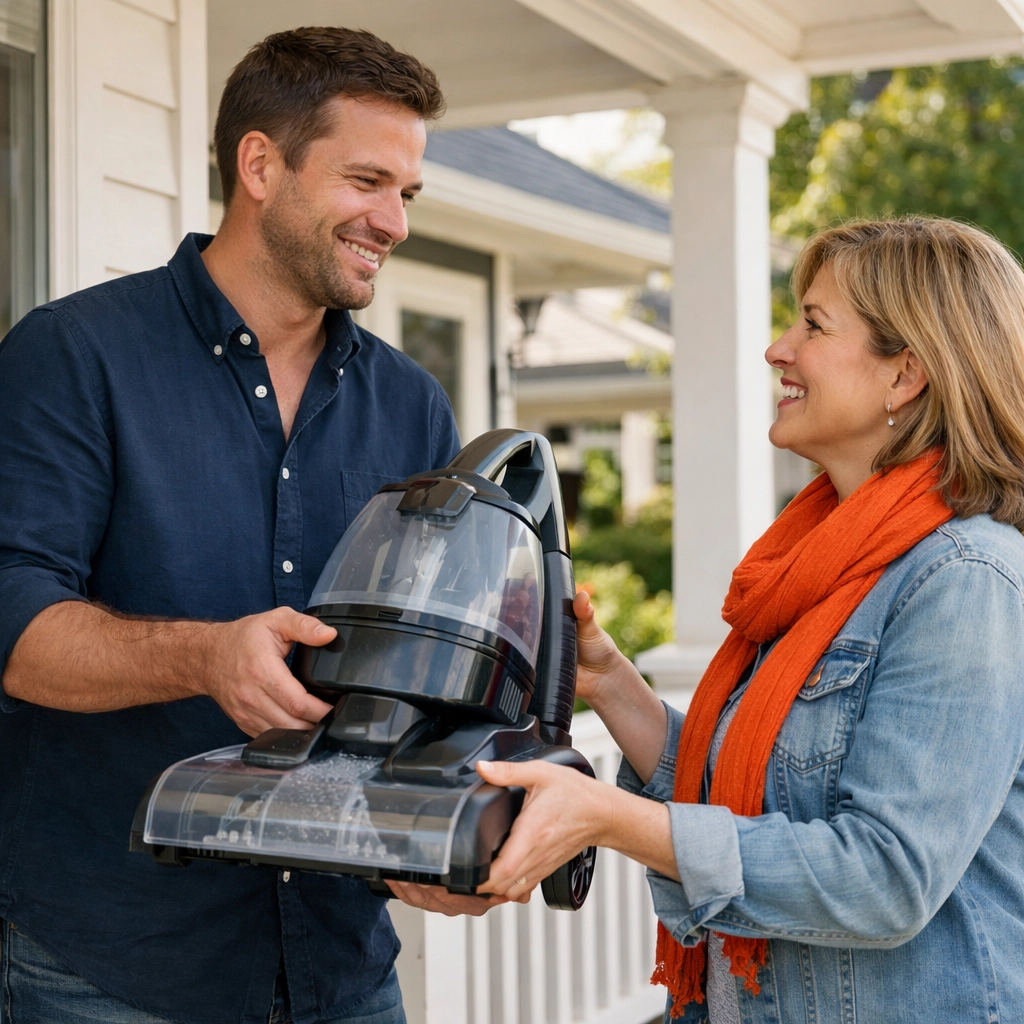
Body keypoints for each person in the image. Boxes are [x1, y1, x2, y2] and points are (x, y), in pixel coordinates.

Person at [0, 27, 458, 1024]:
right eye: (368, 181)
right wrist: (207, 656)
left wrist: (441, 827)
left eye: (406, 194)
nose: (395, 221)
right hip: (111, 969)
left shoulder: (414, 408)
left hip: (342, 968)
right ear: (261, 164)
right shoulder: (73, 357)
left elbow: (426, 672)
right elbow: (15, 628)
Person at [457, 218, 1024, 1022]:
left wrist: (617, 820)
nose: (777, 350)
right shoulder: (826, 564)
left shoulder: (965, 580)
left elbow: (887, 878)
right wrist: (613, 683)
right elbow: (762, 792)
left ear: (906, 376)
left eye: (813, 325)